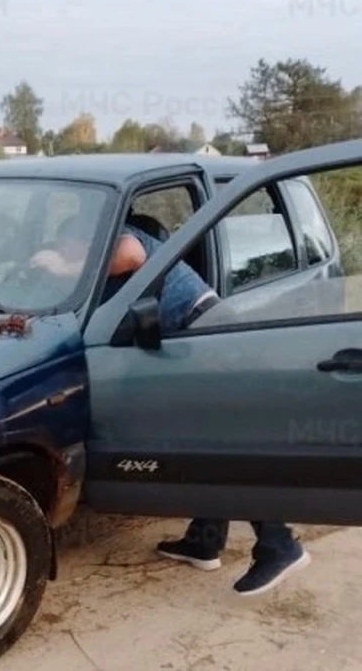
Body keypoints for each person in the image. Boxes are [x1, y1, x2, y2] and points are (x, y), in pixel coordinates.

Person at [31, 214, 311, 596]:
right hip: (190, 338)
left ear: (82, 240)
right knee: (206, 446)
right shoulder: (96, 247)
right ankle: (205, 540)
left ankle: (281, 545)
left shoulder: (115, 234)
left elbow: (131, 256)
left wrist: (64, 264)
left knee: (225, 448)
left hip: (206, 334)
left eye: (70, 249)